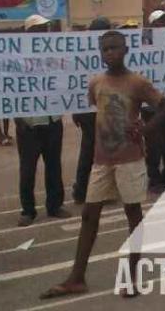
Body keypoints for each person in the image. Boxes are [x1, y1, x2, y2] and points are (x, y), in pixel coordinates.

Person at [40, 31, 165, 300]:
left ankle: (132, 277)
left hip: (130, 160)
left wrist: (145, 130)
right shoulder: (97, 83)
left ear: (125, 50)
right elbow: (97, 116)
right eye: (105, 49)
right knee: (89, 215)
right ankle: (77, 277)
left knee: (133, 214)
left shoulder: (137, 82)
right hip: (102, 161)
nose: (109, 53)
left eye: (114, 48)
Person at [15, 15, 70, 226]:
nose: (42, 32)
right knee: (28, 169)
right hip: (28, 123)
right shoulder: (17, 57)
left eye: (45, 28)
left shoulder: (55, 55)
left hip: (52, 120)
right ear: (28, 33)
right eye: (37, 29)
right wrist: (18, 117)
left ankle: (55, 205)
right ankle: (27, 210)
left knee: (54, 165)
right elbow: (7, 91)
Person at [71, 17, 112, 205]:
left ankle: (95, 190)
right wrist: (77, 109)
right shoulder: (86, 52)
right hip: (90, 111)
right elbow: (75, 83)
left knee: (101, 151)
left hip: (104, 108)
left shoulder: (108, 52)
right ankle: (82, 190)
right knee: (90, 152)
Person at [142, 9, 165, 194]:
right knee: (153, 145)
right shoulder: (143, 43)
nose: (164, 26)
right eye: (159, 23)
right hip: (151, 106)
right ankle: (154, 178)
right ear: (151, 25)